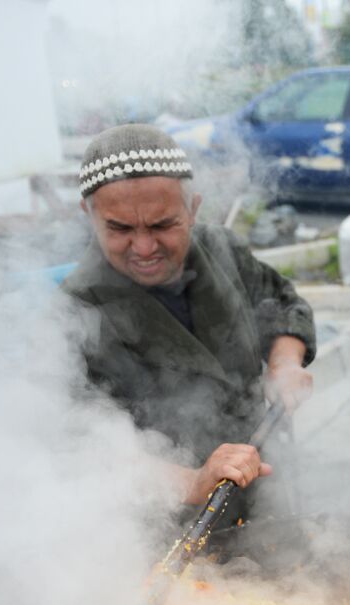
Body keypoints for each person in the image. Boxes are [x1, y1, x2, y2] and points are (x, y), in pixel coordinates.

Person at [61, 124, 316, 505]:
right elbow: (81, 447)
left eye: (163, 225)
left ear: (192, 209)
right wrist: (190, 482)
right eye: (119, 229)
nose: (144, 247)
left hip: (267, 491)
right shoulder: (72, 314)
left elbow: (282, 302)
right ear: (89, 214)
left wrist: (284, 363)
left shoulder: (221, 250)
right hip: (170, 530)